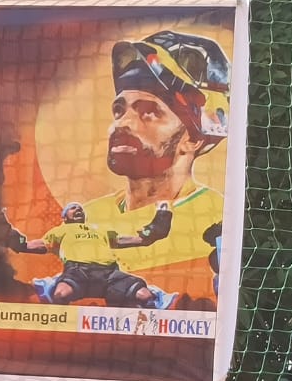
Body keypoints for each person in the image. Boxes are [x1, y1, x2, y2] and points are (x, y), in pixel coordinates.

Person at [77, 30, 230, 302]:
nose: (121, 123)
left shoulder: (217, 219)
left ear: (192, 139)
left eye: (149, 112)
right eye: (119, 110)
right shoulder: (87, 216)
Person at [4, 200, 175, 308]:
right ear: (64, 217)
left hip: (109, 274)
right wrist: (4, 227)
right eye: (72, 208)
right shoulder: (60, 231)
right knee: (60, 294)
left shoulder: (101, 230)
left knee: (145, 296)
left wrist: (162, 217)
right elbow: (25, 246)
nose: (78, 209)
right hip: (78, 272)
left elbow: (142, 240)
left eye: (80, 208)